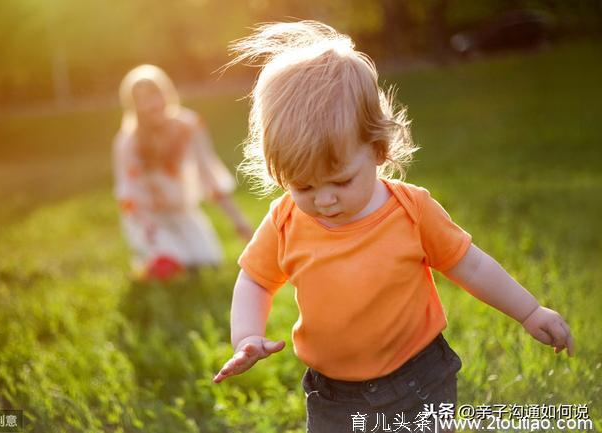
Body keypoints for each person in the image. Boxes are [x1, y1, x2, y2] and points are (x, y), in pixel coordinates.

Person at [211, 21, 574, 432]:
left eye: (341, 181)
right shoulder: (285, 219)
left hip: (418, 379)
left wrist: (528, 311)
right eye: (303, 186)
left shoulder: (411, 210)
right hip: (334, 396)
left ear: (378, 149)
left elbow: (469, 265)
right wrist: (246, 336)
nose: (325, 199)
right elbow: (256, 280)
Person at [113, 64, 252, 280]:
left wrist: (238, 220)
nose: (151, 104)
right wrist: (146, 228)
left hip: (183, 212)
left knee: (207, 262)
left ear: (166, 93)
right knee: (174, 268)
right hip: (150, 218)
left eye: (154, 94)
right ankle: (148, 259)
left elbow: (209, 174)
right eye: (141, 99)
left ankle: (163, 257)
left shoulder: (190, 125)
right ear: (132, 105)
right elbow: (127, 192)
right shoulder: (127, 142)